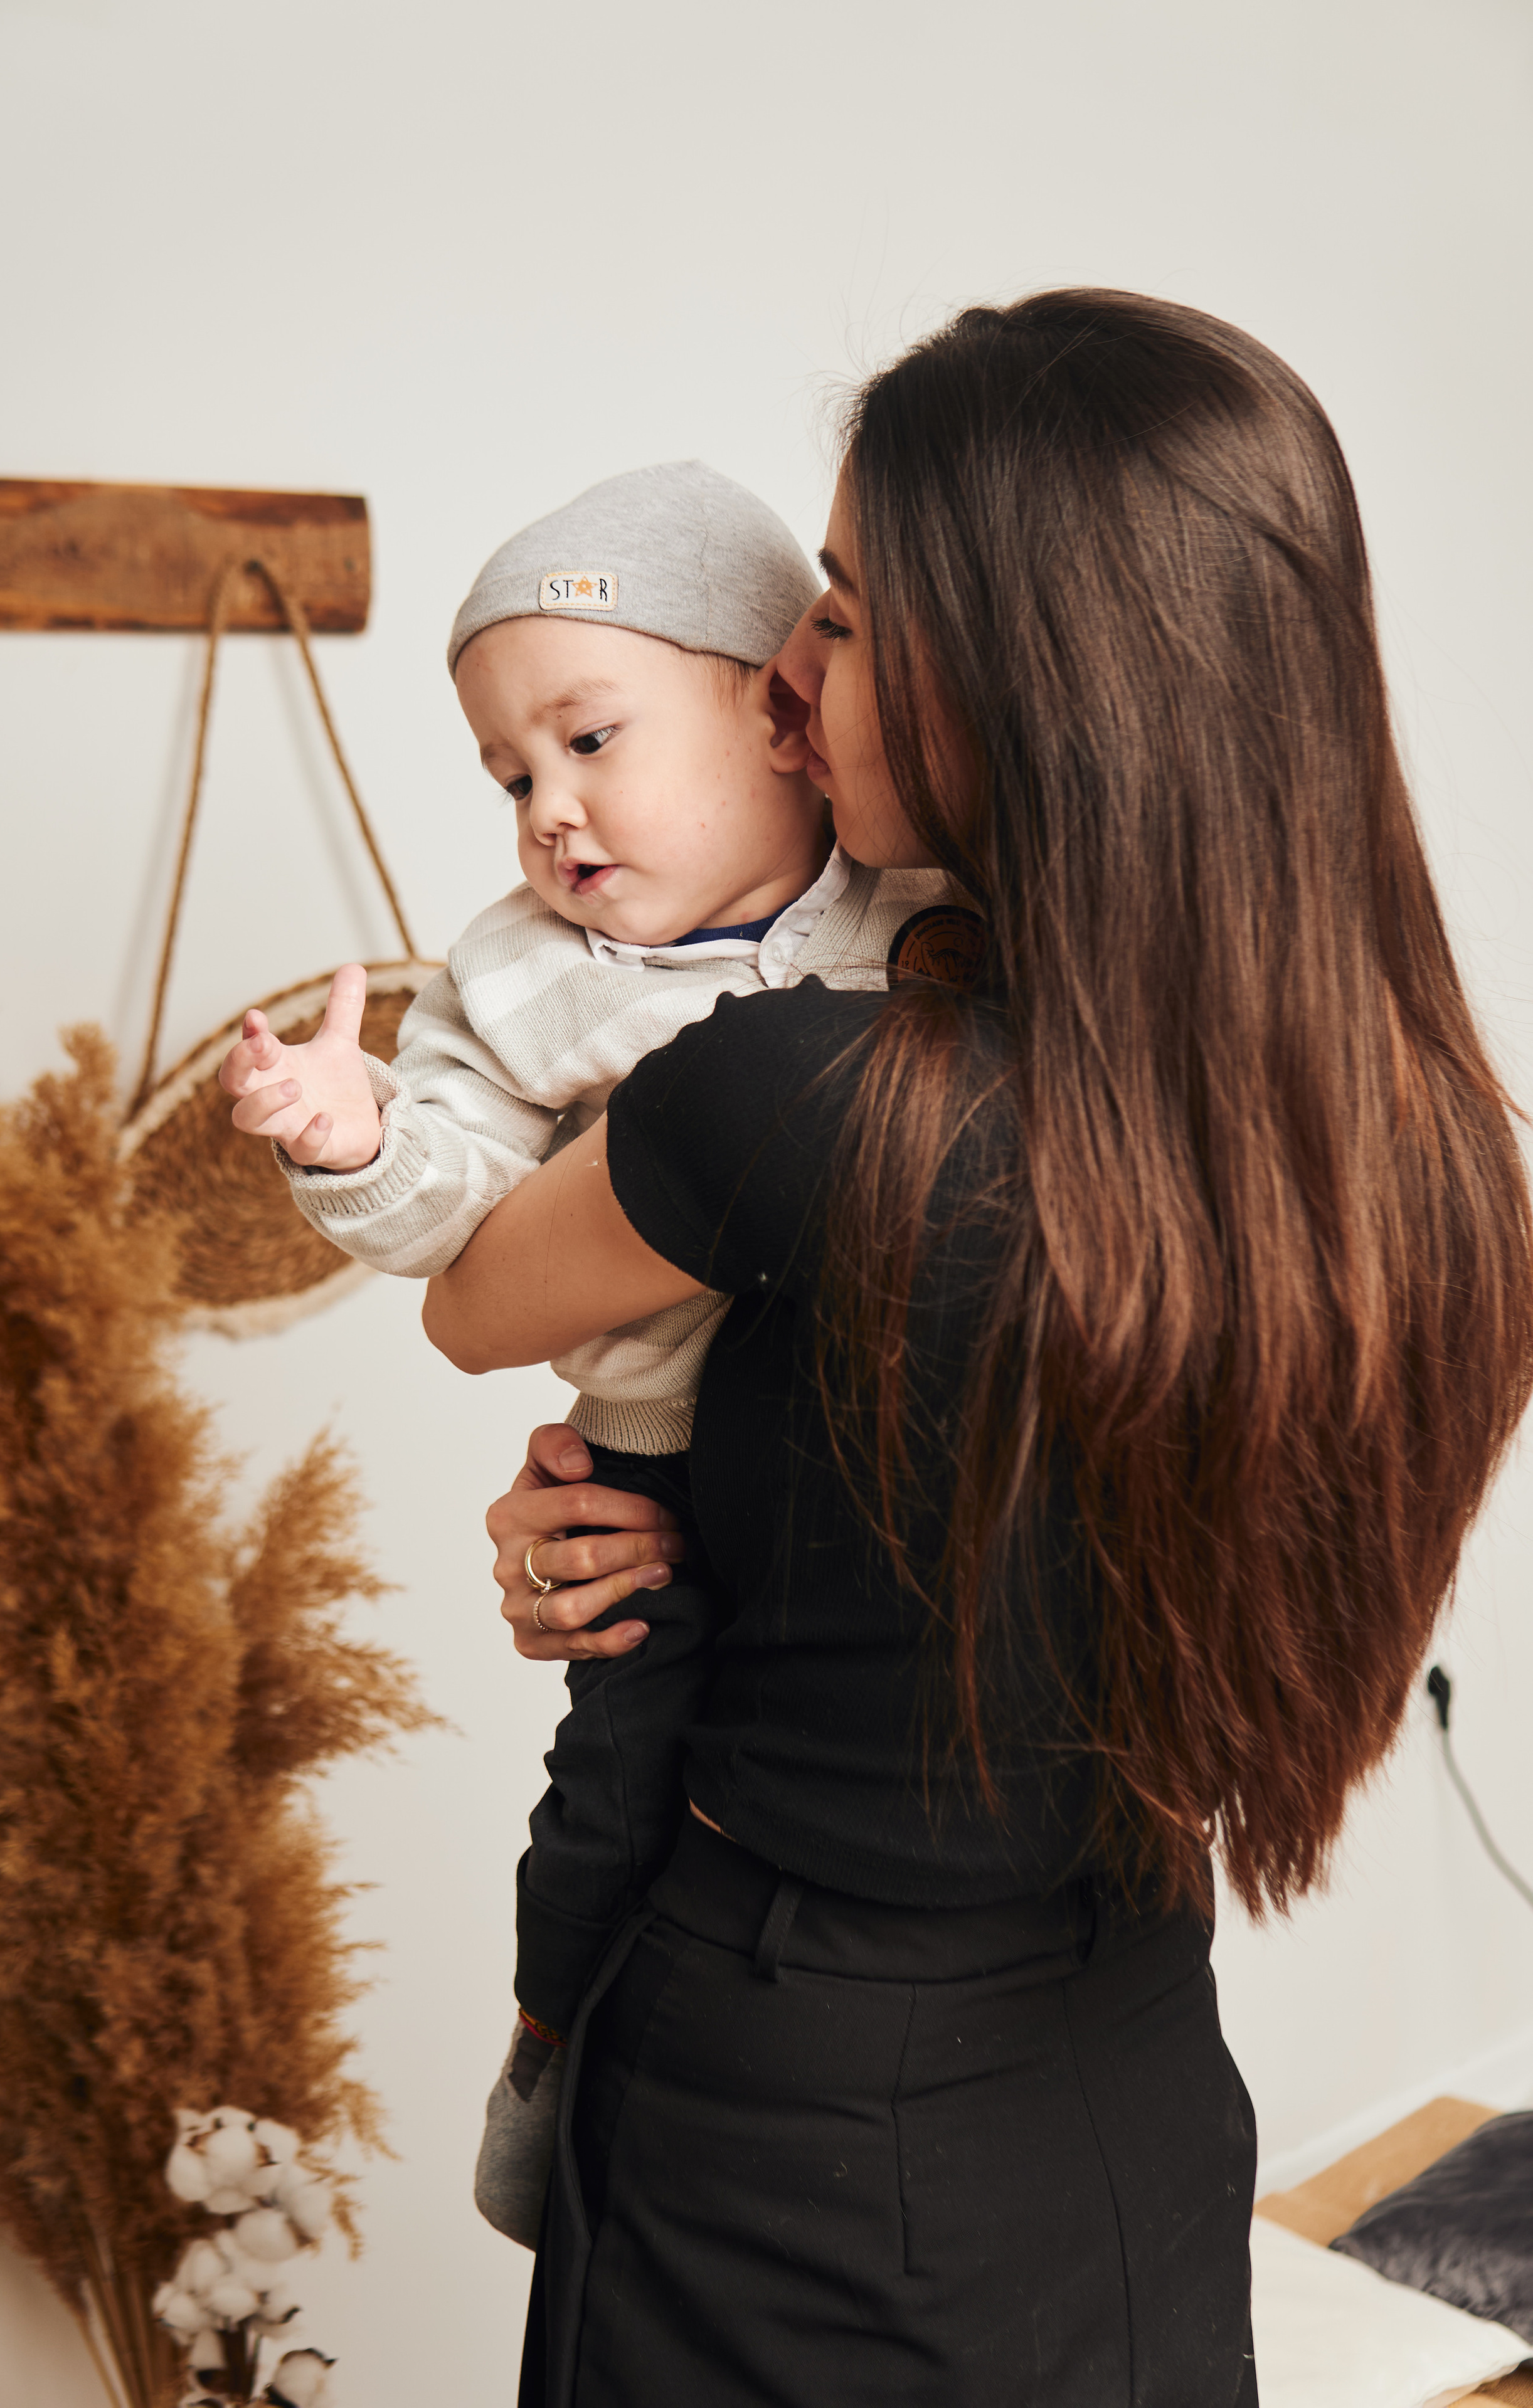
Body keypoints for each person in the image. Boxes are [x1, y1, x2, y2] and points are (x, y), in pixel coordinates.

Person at [428, 289, 1533, 2406]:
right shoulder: (1410, 1145)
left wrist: (607, 1515)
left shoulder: (803, 1098)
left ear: (1027, 672)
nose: (785, 668)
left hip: (794, 2098)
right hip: (1129, 2064)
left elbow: (476, 1299)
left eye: (838, 606)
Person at [216, 458, 955, 2246]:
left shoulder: (914, 907)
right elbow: (458, 1240)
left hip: (881, 1484)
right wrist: (353, 1132)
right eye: (510, 776)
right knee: (619, 1770)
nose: (549, 811)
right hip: (650, 1465)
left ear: (777, 709)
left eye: (591, 740)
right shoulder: (527, 979)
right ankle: (554, 2045)